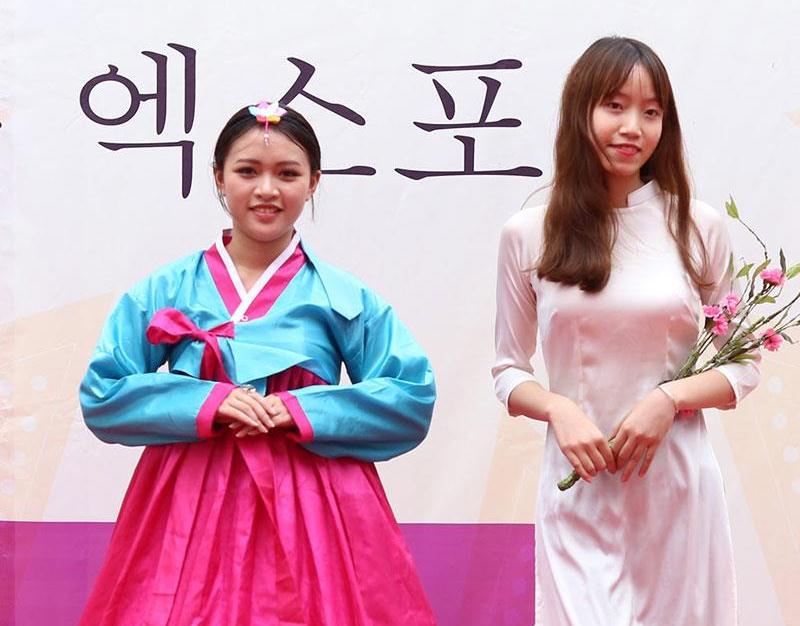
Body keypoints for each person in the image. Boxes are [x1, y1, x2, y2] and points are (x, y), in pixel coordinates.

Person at [79, 102, 438, 625]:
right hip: (186, 502)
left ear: (313, 182)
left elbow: (411, 396)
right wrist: (209, 401)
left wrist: (302, 409)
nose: (266, 189)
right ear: (218, 177)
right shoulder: (165, 288)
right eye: (248, 171)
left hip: (314, 506)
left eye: (287, 174)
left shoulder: (342, 295)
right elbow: (103, 393)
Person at [492, 37, 760, 625]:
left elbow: (743, 365)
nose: (633, 127)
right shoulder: (529, 233)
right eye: (614, 105)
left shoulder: (698, 227)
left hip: (677, 491)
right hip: (578, 492)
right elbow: (508, 370)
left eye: (651, 111)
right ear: (580, 110)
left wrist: (669, 399)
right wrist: (560, 409)